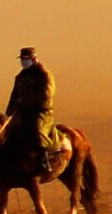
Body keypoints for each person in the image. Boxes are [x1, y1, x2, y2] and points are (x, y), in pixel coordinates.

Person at [8, 47, 68, 175]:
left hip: (41, 111)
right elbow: (14, 94)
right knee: (10, 132)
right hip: (23, 111)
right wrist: (10, 110)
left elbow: (46, 94)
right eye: (22, 59)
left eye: (26, 59)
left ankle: (44, 159)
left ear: (34, 59)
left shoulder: (44, 74)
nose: (23, 62)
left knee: (37, 130)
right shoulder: (20, 77)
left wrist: (24, 100)